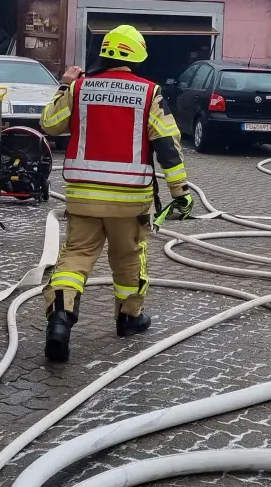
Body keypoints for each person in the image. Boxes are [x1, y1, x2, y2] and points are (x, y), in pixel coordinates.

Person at [38, 24, 191, 364]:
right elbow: (167, 146)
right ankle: (129, 318)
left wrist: (65, 84)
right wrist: (180, 191)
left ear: (103, 52)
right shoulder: (150, 93)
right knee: (128, 259)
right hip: (129, 202)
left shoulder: (79, 89)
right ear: (137, 56)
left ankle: (60, 322)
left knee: (74, 259)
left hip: (84, 199)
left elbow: (49, 124)